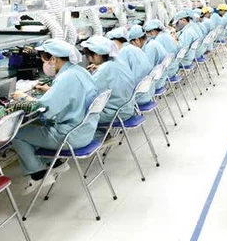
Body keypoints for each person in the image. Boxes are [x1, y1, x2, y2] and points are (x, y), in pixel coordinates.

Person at [11, 39, 98, 194]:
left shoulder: (65, 78)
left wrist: (23, 97)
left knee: (17, 134)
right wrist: (51, 91)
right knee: (37, 127)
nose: (43, 63)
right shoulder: (79, 71)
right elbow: (70, 95)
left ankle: (38, 175)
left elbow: (44, 108)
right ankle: (57, 163)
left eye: (44, 59)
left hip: (70, 137)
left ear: (53, 59)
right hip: (85, 131)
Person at [81, 35, 136, 124]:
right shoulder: (119, 61)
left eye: (89, 56)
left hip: (115, 114)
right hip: (128, 108)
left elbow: (89, 95)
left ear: (97, 55)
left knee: (77, 114)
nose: (90, 60)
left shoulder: (103, 71)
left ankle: (95, 132)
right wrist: (99, 69)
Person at [106, 27, 153, 104]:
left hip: (136, 98)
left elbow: (118, 75)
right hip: (148, 92)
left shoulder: (124, 51)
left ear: (114, 41)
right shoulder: (134, 49)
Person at [128, 25, 168, 90]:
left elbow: (146, 72)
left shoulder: (149, 48)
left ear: (137, 40)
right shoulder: (152, 43)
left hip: (157, 82)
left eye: (132, 44)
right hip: (161, 77)